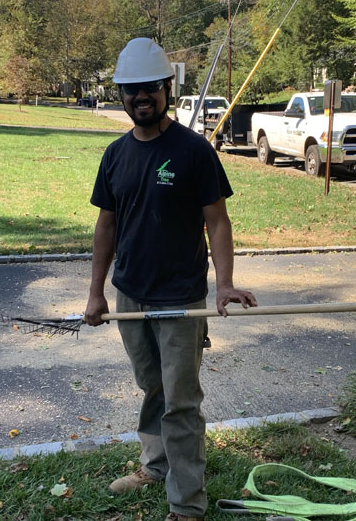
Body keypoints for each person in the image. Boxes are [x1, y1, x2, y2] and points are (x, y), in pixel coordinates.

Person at [84, 37, 257, 521]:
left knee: (180, 400)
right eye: (132, 90)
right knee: (152, 387)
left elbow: (217, 221)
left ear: (167, 90)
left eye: (151, 89)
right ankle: (156, 464)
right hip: (131, 294)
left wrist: (223, 284)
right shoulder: (115, 155)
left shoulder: (193, 151)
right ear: (122, 94)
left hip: (180, 297)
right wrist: (97, 292)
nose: (141, 97)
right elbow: (107, 226)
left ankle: (187, 505)